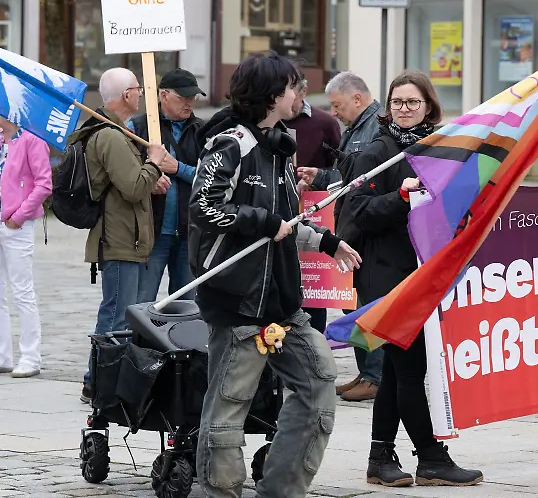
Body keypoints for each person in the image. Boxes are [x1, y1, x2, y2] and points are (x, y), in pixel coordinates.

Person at [189, 51, 362, 498]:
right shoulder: (231, 143)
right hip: (238, 299)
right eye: (291, 87)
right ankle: (220, 492)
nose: (299, 94)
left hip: (283, 302)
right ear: (271, 95)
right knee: (229, 406)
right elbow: (204, 208)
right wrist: (263, 222)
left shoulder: (280, 146)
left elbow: (285, 223)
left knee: (318, 385)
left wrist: (327, 242)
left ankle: (283, 489)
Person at [347, 69, 483, 487]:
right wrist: (400, 197)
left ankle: (379, 458)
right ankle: (430, 456)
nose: (404, 109)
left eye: (412, 102)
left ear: (428, 106)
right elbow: (355, 214)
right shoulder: (377, 153)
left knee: (394, 370)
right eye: (397, 102)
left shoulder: (436, 149)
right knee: (409, 369)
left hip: (422, 273)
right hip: (387, 277)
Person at [73, 67, 169, 403]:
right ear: (127, 94)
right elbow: (132, 188)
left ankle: (106, 381)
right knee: (115, 315)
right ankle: (97, 384)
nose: (141, 93)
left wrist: (149, 177)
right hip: (118, 239)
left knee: (120, 314)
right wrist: (154, 163)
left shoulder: (118, 131)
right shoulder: (111, 136)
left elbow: (128, 183)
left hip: (128, 237)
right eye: (138, 88)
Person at [297, 71, 383, 402]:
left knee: (365, 305)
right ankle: (366, 372)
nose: (334, 112)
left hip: (367, 229)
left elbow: (365, 180)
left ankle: (375, 376)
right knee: (354, 304)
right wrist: (321, 177)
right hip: (354, 226)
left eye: (338, 105)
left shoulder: (375, 128)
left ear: (357, 99)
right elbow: (349, 176)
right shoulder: (358, 127)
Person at [127, 68, 205, 302]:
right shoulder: (138, 127)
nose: (189, 103)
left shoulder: (202, 131)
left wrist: (178, 168)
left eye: (193, 97)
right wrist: (148, 178)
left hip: (190, 231)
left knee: (188, 304)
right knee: (142, 300)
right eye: (183, 97)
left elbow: (211, 178)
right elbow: (125, 174)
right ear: (164, 95)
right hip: (151, 231)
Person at [282, 75, 342, 335]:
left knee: (314, 286)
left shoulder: (324, 123)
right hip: (281, 214)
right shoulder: (270, 121)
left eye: (292, 95)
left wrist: (316, 180)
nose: (288, 102)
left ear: (303, 92)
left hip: (315, 213)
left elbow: (339, 168)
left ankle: (314, 340)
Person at [0, 116, 51, 378]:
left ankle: (31, 357)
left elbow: (44, 184)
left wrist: (19, 216)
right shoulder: (1, 140)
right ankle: (2, 355)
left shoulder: (32, 140)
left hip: (17, 225)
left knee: (22, 291)